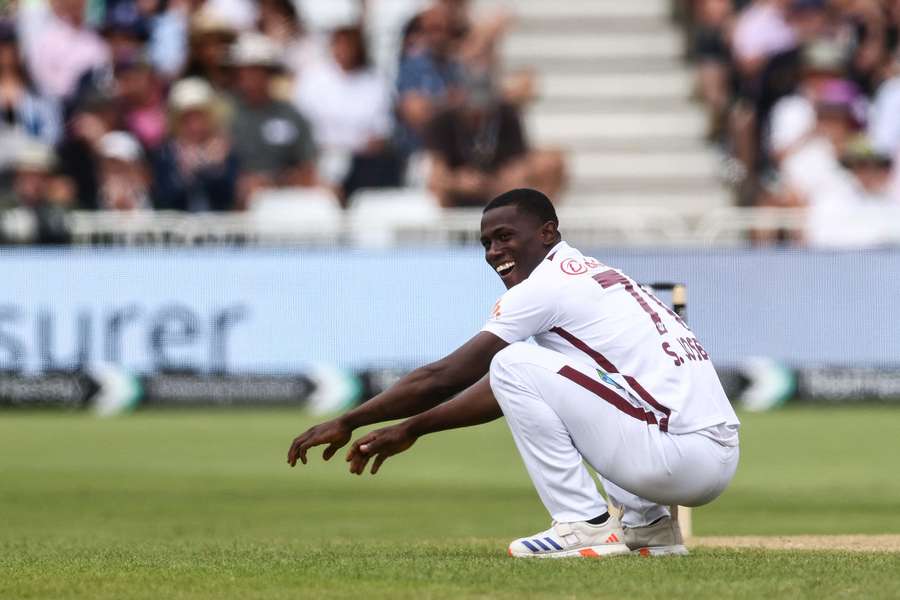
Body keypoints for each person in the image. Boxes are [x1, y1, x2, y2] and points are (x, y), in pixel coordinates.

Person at [287, 188, 740, 558]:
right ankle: (650, 528)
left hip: (673, 458)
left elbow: (446, 376)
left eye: (505, 236)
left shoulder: (544, 287)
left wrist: (348, 421)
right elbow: (507, 391)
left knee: (509, 359)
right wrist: (413, 428)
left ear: (547, 233)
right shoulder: (593, 274)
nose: (494, 252)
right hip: (709, 455)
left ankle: (583, 523)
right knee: (541, 368)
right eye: (486, 243)